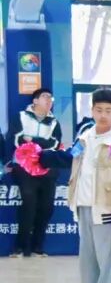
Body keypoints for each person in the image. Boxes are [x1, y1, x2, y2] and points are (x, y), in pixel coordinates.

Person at [39, 88, 111, 283]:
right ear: (92, 110)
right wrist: (41, 156)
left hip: (108, 207)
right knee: (88, 261)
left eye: (108, 111)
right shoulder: (85, 136)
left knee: (109, 259)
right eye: (99, 110)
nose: (103, 115)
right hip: (83, 205)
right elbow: (69, 157)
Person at [5, 87, 63, 258]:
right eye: (45, 97)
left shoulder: (54, 122)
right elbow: (17, 140)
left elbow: (55, 144)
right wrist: (41, 142)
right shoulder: (21, 117)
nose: (49, 100)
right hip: (24, 168)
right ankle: (20, 247)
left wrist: (33, 140)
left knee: (47, 207)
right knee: (29, 204)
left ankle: (38, 247)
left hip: (46, 168)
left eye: (51, 98)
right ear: (35, 101)